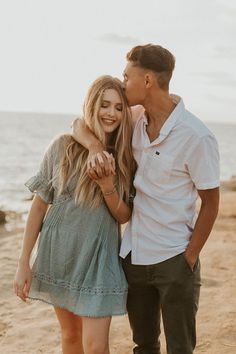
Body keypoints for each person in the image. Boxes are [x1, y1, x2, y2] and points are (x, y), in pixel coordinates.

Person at [71, 44, 220, 354]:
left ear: (148, 80)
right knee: (144, 345)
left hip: (175, 260)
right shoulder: (135, 117)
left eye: (127, 77)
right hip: (134, 258)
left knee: (180, 348)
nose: (123, 83)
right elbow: (79, 123)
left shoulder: (196, 136)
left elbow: (211, 202)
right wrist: (96, 148)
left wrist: (189, 257)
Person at [14, 75, 136, 354]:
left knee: (95, 347)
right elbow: (39, 206)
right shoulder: (62, 147)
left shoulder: (126, 155)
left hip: (98, 261)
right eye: (105, 105)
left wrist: (107, 186)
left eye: (119, 107)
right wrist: (23, 262)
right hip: (60, 255)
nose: (111, 113)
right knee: (70, 336)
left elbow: (124, 216)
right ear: (92, 105)